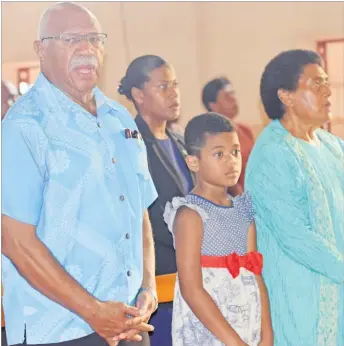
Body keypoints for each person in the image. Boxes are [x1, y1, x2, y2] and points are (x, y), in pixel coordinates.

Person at [2, 3, 158, 346]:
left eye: (94, 39)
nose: (87, 49)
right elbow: (14, 240)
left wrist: (148, 286)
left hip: (128, 323)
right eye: (71, 39)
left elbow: (140, 211)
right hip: (59, 330)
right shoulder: (24, 128)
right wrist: (94, 311)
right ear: (41, 50)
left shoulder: (120, 119)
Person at [245, 49, 344, 346]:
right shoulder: (273, 154)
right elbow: (296, 235)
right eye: (316, 84)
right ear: (286, 96)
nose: (328, 91)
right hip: (302, 297)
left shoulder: (331, 145)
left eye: (326, 82)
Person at [163, 113, 273, 346]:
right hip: (211, 331)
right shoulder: (191, 215)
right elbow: (191, 288)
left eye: (235, 152)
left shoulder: (243, 209)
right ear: (193, 161)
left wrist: (267, 334)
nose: (231, 161)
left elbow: (255, 274)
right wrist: (234, 342)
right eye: (219, 154)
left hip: (248, 325)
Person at [118, 55, 194, 346]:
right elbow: (148, 214)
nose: (174, 93)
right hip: (160, 277)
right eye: (163, 86)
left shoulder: (180, 139)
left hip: (192, 273)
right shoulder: (130, 144)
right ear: (139, 95)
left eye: (175, 85)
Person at [202, 78, 255, 196]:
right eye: (227, 97)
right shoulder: (213, 136)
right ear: (213, 106)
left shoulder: (245, 130)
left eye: (233, 94)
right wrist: (244, 202)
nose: (234, 99)